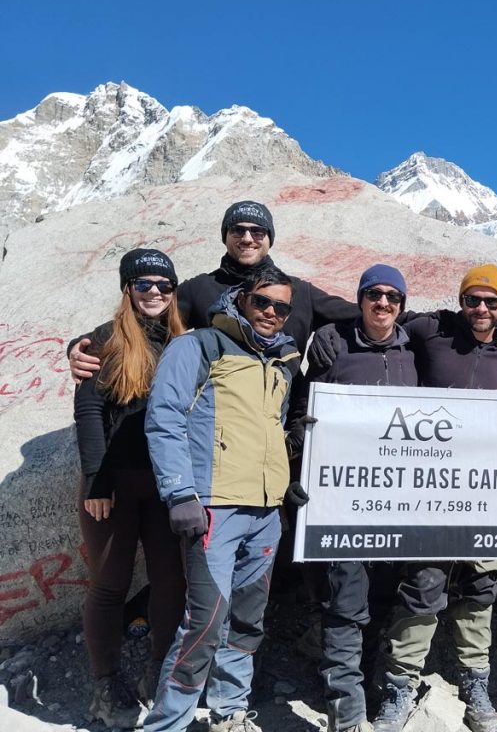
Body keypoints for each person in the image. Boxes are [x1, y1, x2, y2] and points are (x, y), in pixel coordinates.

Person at [369, 264, 497, 732]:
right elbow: (379, 325)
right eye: (472, 299)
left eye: (491, 302)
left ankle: (476, 684)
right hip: (429, 493)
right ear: (460, 302)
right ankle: (400, 687)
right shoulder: (428, 330)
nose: (481, 309)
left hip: (486, 495)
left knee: (481, 585)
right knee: (424, 583)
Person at [142, 268, 300, 732]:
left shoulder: (281, 363)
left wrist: (284, 484)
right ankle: (166, 724)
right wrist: (178, 493)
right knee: (205, 623)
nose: (271, 312)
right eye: (262, 302)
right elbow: (164, 417)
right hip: (212, 507)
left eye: (282, 307)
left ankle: (230, 710)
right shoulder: (198, 346)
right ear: (241, 299)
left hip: (266, 512)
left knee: (248, 621)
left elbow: (276, 430)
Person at [286, 264, 417, 732]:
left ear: (402, 305)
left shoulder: (414, 349)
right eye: (374, 295)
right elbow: (302, 412)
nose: (383, 304)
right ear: (360, 298)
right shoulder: (333, 348)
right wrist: (300, 463)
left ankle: (380, 680)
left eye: (392, 297)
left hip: (404, 500)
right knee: (345, 596)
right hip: (342, 498)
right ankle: (346, 705)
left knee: (389, 592)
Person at [73, 249, 188, 729]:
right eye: (144, 284)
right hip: (113, 487)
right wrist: (98, 479)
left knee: (172, 583)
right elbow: (89, 411)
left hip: (166, 486)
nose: (155, 293)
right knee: (109, 585)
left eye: (164, 285)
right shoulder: (104, 340)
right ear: (128, 289)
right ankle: (106, 684)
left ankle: (158, 673)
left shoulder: (186, 340)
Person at [68, 200, 359, 378]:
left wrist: (329, 331)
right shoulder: (202, 288)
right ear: (225, 237)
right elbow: (145, 320)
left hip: (283, 420)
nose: (247, 238)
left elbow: (365, 317)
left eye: (257, 231)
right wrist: (83, 345)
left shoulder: (299, 291)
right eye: (238, 230)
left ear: (269, 239)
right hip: (219, 426)